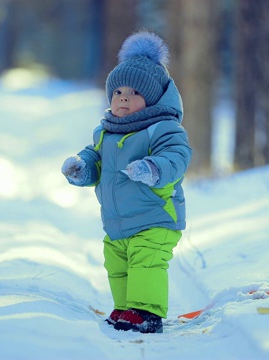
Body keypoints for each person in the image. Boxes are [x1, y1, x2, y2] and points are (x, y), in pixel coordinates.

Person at [61, 31, 191, 334]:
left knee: (146, 263)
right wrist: (82, 168)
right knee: (117, 264)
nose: (123, 97)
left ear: (153, 98)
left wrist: (153, 168)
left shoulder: (163, 129)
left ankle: (146, 313)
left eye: (133, 92)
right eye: (118, 91)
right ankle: (125, 309)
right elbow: (95, 159)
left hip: (155, 217)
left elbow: (176, 157)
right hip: (117, 223)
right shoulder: (106, 132)